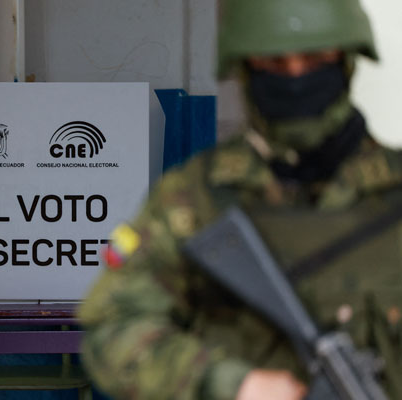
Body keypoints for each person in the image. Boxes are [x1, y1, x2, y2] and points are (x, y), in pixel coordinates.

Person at [78, 0, 402, 399]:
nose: (296, 76)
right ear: (245, 70)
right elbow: (113, 327)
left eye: (315, 57)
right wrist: (230, 383)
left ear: (347, 63)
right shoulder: (192, 198)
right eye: (274, 63)